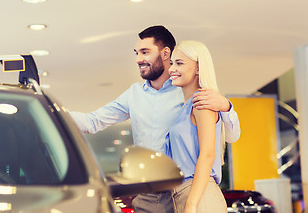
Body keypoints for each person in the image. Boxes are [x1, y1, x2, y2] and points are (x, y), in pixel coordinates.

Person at [69, 26, 240, 213]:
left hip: (184, 191)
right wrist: (52, 114)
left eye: (145, 52)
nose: (138, 59)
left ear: (165, 53)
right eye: (137, 53)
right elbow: (92, 121)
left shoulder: (190, 95)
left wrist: (227, 107)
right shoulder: (133, 94)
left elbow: (227, 138)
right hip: (147, 195)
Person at [166, 40, 227, 213]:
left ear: (199, 68)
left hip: (199, 196)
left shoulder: (202, 102)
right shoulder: (184, 108)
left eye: (179, 63)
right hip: (185, 194)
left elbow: (207, 155)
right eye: (171, 63)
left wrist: (191, 204)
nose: (171, 69)